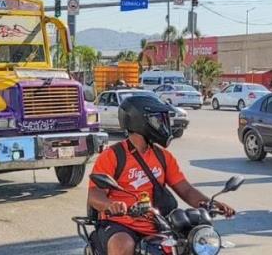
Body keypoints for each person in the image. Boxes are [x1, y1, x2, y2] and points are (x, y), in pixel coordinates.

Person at [87, 95, 235, 255]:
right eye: (157, 120)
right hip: (120, 224)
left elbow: (185, 190)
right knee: (123, 245)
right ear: (139, 121)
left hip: (159, 223)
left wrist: (212, 204)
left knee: (197, 243)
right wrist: (111, 205)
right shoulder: (113, 155)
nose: (162, 124)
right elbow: (94, 195)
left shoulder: (163, 156)